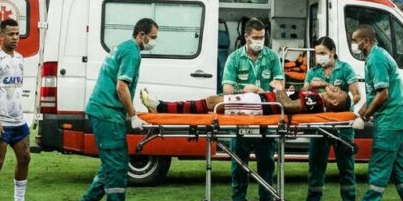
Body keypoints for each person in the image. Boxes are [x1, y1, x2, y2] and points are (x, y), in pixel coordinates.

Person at [75, 18, 158, 201]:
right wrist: (133, 115)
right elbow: (121, 87)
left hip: (103, 111)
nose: (154, 42)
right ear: (141, 35)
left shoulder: (123, 47)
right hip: (107, 114)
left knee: (111, 163)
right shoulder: (132, 52)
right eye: (153, 37)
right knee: (118, 165)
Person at [343, 25, 403, 201]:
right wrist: (358, 114)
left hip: (389, 122)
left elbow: (382, 94)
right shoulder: (378, 56)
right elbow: (374, 96)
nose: (353, 44)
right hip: (397, 120)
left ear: (366, 41)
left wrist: (366, 116)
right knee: (400, 170)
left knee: (378, 169)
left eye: (355, 41)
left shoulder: (376, 59)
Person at [221, 18, 285, 201]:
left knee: (266, 163)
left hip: (265, 120)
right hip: (241, 119)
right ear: (246, 37)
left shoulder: (272, 57)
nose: (259, 41)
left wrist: (276, 86)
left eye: (262, 37)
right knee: (239, 164)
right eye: (256, 37)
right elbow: (227, 89)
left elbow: (280, 83)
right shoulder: (234, 58)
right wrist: (244, 89)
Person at [0, 18, 38, 201]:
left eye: (17, 34)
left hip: (18, 120)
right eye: (11, 34)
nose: (15, 38)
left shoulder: (20, 58)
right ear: (1, 35)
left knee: (25, 158)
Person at [302, 37, 361, 201]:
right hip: (320, 125)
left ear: (333, 52)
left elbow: (356, 95)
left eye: (323, 53)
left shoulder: (345, 69)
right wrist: (309, 87)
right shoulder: (313, 72)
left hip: (342, 125)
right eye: (317, 53)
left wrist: (339, 99)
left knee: (346, 167)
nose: (319, 56)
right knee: (316, 167)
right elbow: (303, 95)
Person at [140, 83, 352, 115]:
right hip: (261, 101)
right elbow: (294, 98)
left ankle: (161, 107)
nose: (337, 88)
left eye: (339, 93)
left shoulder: (317, 102)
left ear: (334, 102)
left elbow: (287, 106)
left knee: (213, 103)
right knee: (213, 101)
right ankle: (161, 106)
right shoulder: (316, 98)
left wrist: (278, 88)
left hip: (261, 106)